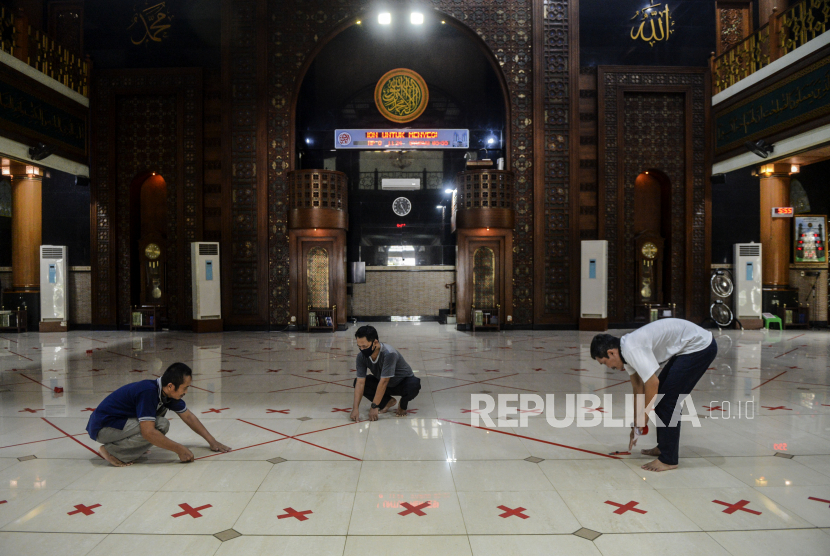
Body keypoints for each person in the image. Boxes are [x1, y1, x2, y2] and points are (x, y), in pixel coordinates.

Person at [591, 318, 717, 472]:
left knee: (667, 401)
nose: (609, 367)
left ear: (611, 352)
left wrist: (644, 417)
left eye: (605, 362)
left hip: (700, 346)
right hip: (687, 347)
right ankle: (663, 447)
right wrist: (637, 423)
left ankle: (669, 459)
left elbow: (652, 383)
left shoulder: (631, 349)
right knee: (661, 399)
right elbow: (638, 388)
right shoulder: (625, 353)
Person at [86, 362, 231, 466]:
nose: (186, 392)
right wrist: (179, 449)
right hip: (102, 427)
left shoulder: (167, 393)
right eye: (185, 388)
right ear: (170, 386)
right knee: (160, 425)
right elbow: (148, 432)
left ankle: (124, 447)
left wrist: (212, 441)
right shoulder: (148, 392)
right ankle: (110, 451)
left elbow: (188, 416)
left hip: (118, 423)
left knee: (157, 422)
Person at [351, 325, 421, 421]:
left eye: (365, 346)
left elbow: (384, 381)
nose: (362, 350)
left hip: (401, 383)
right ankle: (387, 401)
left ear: (375, 342)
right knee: (357, 382)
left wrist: (374, 406)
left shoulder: (389, 353)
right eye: (359, 347)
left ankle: (402, 404)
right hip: (383, 384)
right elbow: (360, 383)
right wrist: (355, 409)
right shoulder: (361, 357)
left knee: (414, 385)